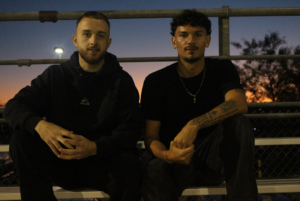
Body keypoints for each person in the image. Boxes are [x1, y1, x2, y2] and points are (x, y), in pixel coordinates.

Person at [4, 11, 142, 201]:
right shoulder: (56, 75)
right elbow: (14, 106)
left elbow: (131, 129)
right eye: (87, 34)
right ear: (75, 40)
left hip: (102, 162)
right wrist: (41, 126)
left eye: (100, 35)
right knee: (21, 139)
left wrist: (94, 147)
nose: (93, 41)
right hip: (60, 159)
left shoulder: (122, 81)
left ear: (108, 43)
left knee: (129, 163)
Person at [141, 9, 258, 201]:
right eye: (184, 35)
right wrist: (168, 155)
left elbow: (238, 103)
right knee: (155, 169)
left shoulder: (222, 69)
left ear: (208, 40)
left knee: (239, 123)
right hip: (177, 159)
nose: (191, 41)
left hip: (215, 160)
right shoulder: (156, 81)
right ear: (174, 41)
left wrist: (194, 124)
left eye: (198, 34)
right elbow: (151, 136)